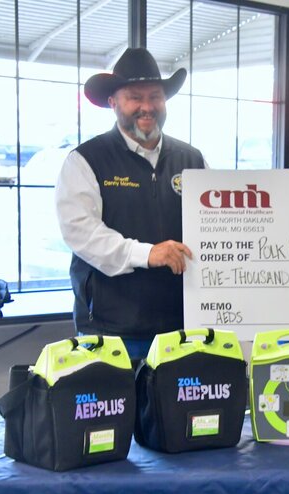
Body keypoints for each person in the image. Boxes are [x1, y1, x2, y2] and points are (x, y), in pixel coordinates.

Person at [55, 48, 205, 360]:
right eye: (135, 97)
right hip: (111, 333)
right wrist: (148, 253)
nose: (147, 106)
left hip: (180, 330)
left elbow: (214, 229)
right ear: (113, 102)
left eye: (155, 96)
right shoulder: (86, 160)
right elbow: (82, 234)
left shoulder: (193, 159)